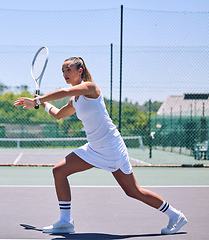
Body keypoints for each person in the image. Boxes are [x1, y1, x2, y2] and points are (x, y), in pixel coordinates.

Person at [14, 57, 187, 235]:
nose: (65, 74)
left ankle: (175, 215)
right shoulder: (75, 100)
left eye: (68, 69)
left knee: (133, 191)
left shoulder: (90, 88)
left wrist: (38, 100)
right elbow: (58, 114)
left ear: (79, 71)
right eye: (63, 71)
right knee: (59, 171)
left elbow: (65, 91)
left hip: (111, 147)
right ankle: (65, 222)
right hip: (94, 147)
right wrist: (43, 103)